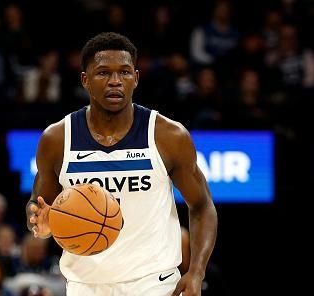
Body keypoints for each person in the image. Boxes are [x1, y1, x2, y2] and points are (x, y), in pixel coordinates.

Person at [26, 32, 218, 296]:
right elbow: (38, 208)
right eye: (103, 73)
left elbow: (203, 205)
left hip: (155, 283)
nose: (115, 81)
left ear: (136, 78)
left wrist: (196, 271)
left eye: (124, 72)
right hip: (84, 285)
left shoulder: (167, 136)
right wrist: (41, 223)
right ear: (85, 80)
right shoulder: (57, 139)